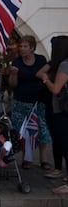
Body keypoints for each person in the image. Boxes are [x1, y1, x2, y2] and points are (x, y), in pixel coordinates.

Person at [8, 35, 51, 169]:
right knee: (23, 131)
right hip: (21, 101)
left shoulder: (40, 60)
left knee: (42, 129)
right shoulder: (17, 62)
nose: (22, 49)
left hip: (38, 102)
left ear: (32, 48)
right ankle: (26, 158)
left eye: (25, 46)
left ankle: (44, 159)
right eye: (21, 46)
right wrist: (14, 74)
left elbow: (46, 75)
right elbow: (13, 85)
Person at [38, 35, 68, 193]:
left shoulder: (64, 65)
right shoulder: (59, 64)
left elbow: (56, 89)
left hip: (61, 110)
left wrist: (45, 80)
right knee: (61, 141)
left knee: (65, 143)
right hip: (61, 110)